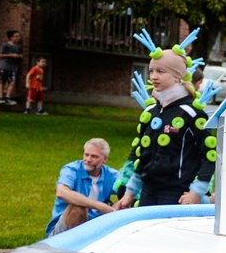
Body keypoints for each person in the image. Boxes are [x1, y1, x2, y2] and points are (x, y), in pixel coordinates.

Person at [117, 49, 215, 208]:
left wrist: (197, 192)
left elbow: (210, 156)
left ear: (177, 76)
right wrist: (130, 192)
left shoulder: (191, 114)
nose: (154, 76)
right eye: (151, 71)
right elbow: (142, 155)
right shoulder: (150, 112)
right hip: (148, 191)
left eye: (160, 71)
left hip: (178, 194)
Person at [46, 138, 121, 236]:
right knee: (78, 207)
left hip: (96, 226)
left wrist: (116, 207)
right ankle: (72, 246)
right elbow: (62, 192)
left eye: (94, 156)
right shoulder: (71, 169)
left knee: (127, 203)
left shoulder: (111, 175)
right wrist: (99, 206)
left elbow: (131, 193)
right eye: (86, 155)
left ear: (105, 159)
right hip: (63, 232)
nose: (88, 160)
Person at [0, 30, 24, 105]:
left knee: (12, 82)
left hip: (13, 67)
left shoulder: (19, 46)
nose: (18, 38)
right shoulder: (5, 45)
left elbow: (20, 55)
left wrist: (19, 56)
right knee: (2, 81)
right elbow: (1, 55)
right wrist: (11, 55)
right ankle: (1, 98)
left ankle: (8, 97)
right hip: (4, 65)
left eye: (18, 36)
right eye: (16, 36)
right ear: (11, 37)